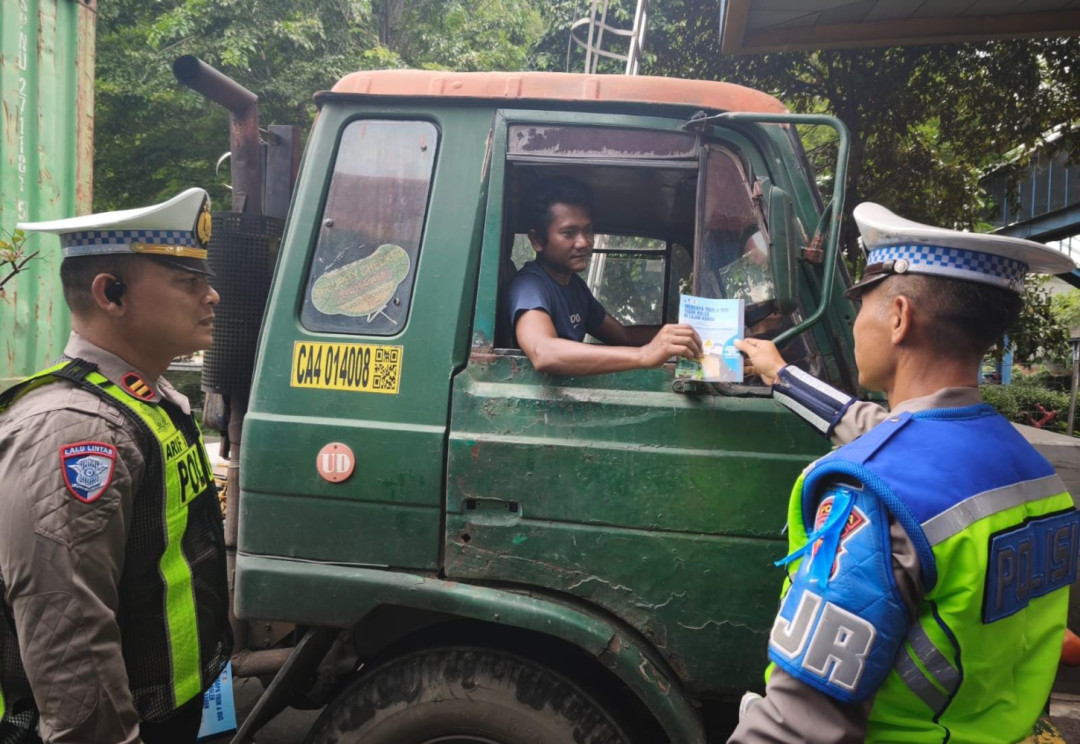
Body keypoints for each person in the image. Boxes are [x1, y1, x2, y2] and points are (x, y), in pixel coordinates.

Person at [727, 202, 1079, 743]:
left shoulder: (875, 496)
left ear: (898, 317)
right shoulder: (1030, 468)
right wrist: (784, 376)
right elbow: (881, 427)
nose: (856, 324)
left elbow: (797, 728)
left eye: (861, 304)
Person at [0, 188, 231, 744]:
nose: (213, 296)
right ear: (111, 293)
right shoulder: (75, 430)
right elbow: (69, 637)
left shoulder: (147, 399)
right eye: (188, 282)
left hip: (170, 711)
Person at [507, 176, 702, 375]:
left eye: (588, 230)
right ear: (538, 239)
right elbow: (543, 352)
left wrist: (680, 336)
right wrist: (644, 355)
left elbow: (622, 336)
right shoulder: (530, 286)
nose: (583, 242)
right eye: (569, 233)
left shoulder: (574, 286)